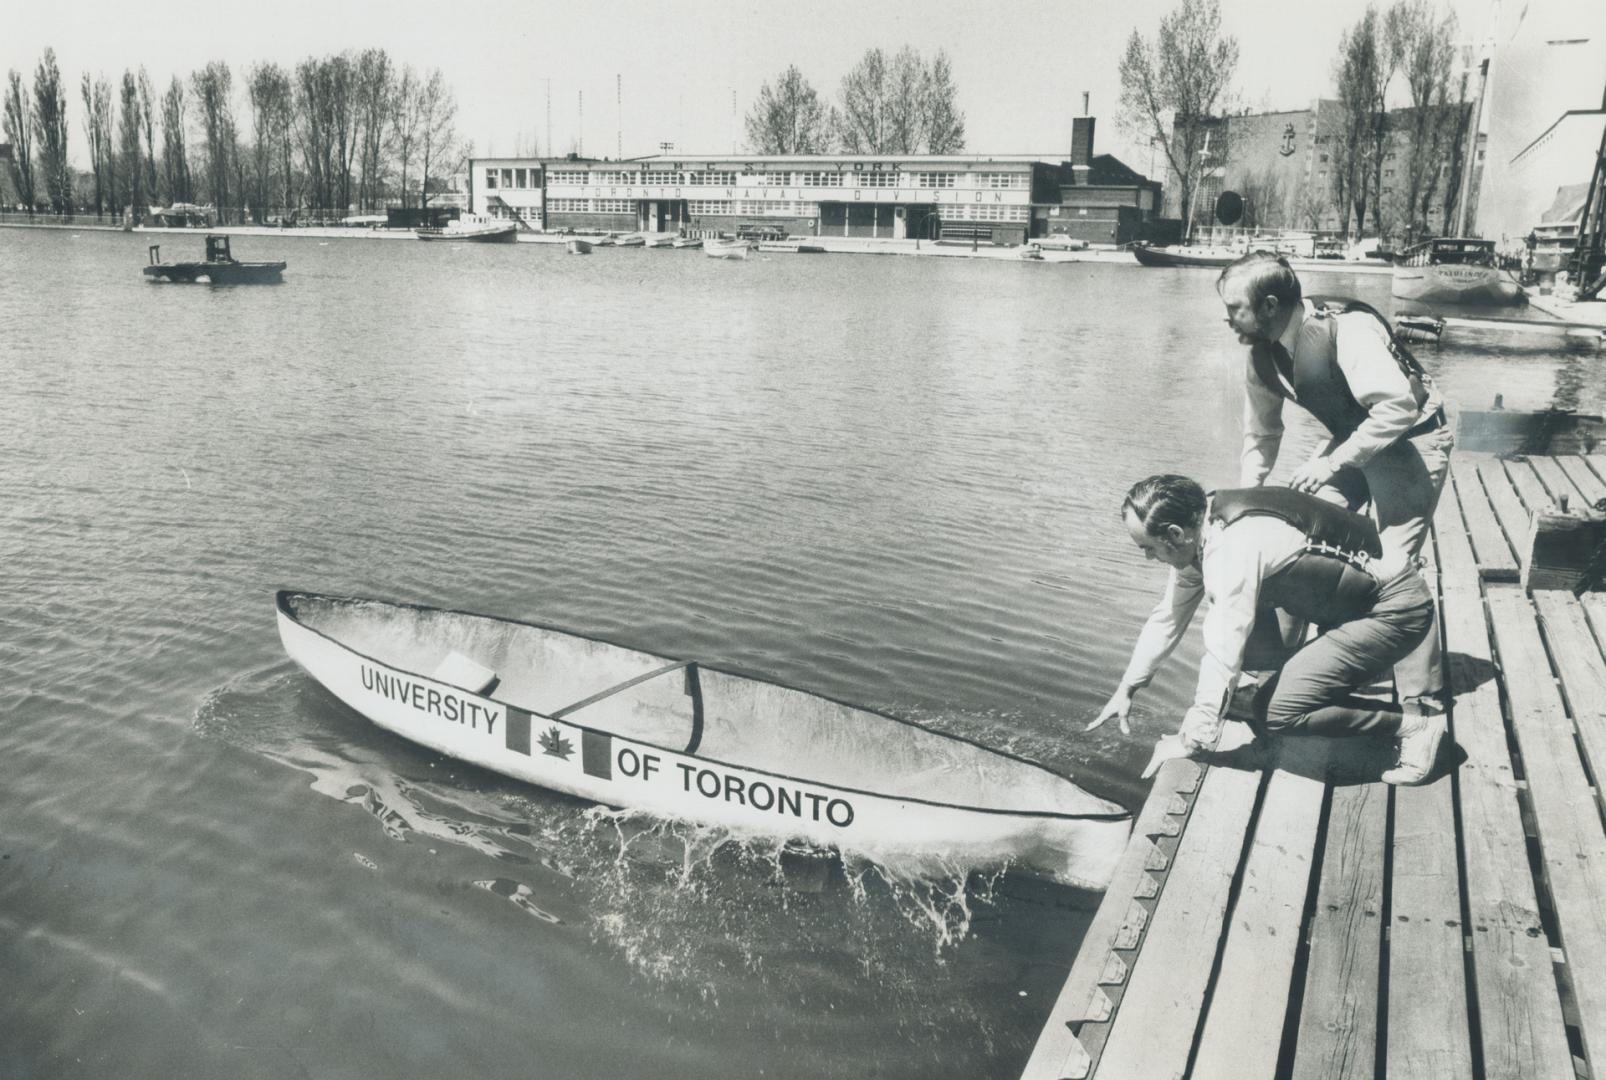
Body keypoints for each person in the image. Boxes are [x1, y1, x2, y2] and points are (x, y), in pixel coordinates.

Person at [1089, 474, 1447, 785]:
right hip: (1352, 606)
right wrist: (1128, 686)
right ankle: (1270, 690)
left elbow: (1222, 648)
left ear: (1174, 533)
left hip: (1394, 610)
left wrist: (1195, 735)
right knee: (1259, 675)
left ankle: (1414, 726)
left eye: (1148, 549)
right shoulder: (1203, 526)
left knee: (1278, 713)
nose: (1149, 558)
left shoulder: (1230, 548)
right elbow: (1168, 616)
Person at [1216, 251, 1453, 713]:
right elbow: (1262, 433)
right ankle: (1275, 672)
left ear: (1268, 306)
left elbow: (1398, 409)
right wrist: (1249, 503)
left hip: (1411, 439)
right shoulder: (1261, 356)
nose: (1227, 320)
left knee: (1392, 567)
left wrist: (1332, 463)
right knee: (1294, 539)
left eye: (1233, 309)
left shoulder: (1348, 331)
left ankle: (1423, 705)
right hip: (1352, 438)